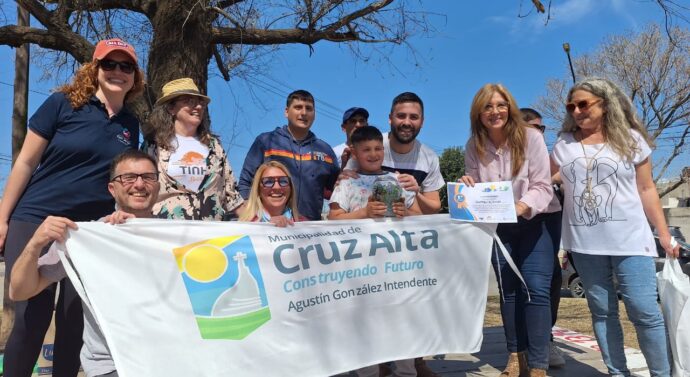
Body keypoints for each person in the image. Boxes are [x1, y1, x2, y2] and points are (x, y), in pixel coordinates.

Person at [0, 38, 144, 377]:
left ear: (135, 77)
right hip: (36, 218)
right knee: (32, 316)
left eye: (126, 67)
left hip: (87, 232)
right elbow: (25, 163)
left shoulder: (131, 125)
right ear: (95, 69)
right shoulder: (62, 104)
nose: (117, 72)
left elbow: (121, 181)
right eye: (110, 64)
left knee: (75, 321)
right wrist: (3, 217)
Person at [550, 77, 678, 377]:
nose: (577, 111)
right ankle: (617, 372)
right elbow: (542, 177)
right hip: (585, 244)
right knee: (603, 313)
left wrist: (664, 233)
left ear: (605, 104)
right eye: (572, 106)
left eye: (584, 104)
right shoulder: (563, 145)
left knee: (644, 311)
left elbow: (647, 190)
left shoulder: (631, 139)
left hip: (631, 241)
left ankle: (661, 374)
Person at [9, 150, 160, 377]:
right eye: (128, 178)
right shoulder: (86, 238)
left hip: (168, 359)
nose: (139, 184)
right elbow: (19, 291)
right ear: (112, 189)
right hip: (112, 366)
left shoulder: (176, 237)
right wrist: (35, 244)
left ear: (157, 186)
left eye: (148, 177)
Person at [460, 84, 556, 377]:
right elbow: (476, 189)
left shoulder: (531, 138)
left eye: (500, 105)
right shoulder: (473, 145)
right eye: (487, 107)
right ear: (478, 113)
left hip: (534, 223)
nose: (495, 112)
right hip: (499, 229)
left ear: (510, 107)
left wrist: (522, 206)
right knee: (508, 293)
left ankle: (539, 365)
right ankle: (516, 357)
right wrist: (467, 187)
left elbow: (543, 185)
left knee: (537, 290)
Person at [328, 125, 420, 377]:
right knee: (362, 325)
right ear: (355, 153)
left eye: (378, 148)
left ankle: (406, 372)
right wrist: (364, 213)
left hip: (395, 269)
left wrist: (406, 213)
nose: (373, 153)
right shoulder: (346, 184)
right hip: (359, 271)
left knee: (400, 322)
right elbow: (333, 218)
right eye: (366, 149)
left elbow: (418, 217)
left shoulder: (395, 179)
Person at [143, 77, 244, 220]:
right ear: (171, 108)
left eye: (200, 102)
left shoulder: (214, 146)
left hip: (212, 238)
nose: (198, 107)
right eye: (188, 101)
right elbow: (141, 190)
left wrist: (267, 226)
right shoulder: (153, 146)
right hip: (166, 236)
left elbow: (232, 197)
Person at [238, 90, 340, 221]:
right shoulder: (265, 141)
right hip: (268, 229)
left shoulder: (325, 150)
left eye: (309, 109)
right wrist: (258, 220)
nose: (303, 113)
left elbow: (337, 193)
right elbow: (245, 185)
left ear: (314, 114)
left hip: (310, 231)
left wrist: (348, 172)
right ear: (286, 112)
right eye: (298, 107)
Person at [520, 107, 566, 369]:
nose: (540, 133)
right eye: (535, 128)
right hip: (516, 221)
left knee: (550, 279)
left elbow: (562, 173)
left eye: (542, 129)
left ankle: (545, 339)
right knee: (519, 285)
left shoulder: (550, 155)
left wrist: (551, 176)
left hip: (548, 218)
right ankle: (518, 347)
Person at [239, 161, 303, 226]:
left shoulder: (304, 223)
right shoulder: (243, 226)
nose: (277, 187)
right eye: (268, 182)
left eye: (283, 181)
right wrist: (268, 226)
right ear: (258, 189)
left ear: (290, 188)